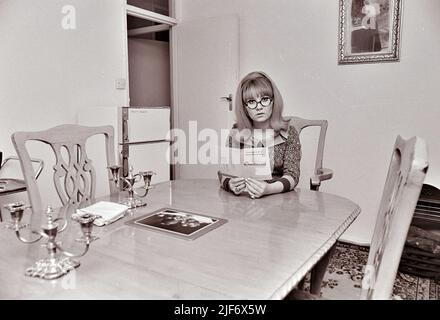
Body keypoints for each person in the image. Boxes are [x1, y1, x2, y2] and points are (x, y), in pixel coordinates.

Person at [218, 71, 301, 199]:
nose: (259, 107)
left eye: (265, 99)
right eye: (251, 101)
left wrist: (269, 189)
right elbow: (223, 173)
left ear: (274, 101)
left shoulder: (289, 132)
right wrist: (230, 184)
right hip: (243, 200)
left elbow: (292, 175)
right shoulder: (236, 132)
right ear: (244, 107)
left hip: (277, 198)